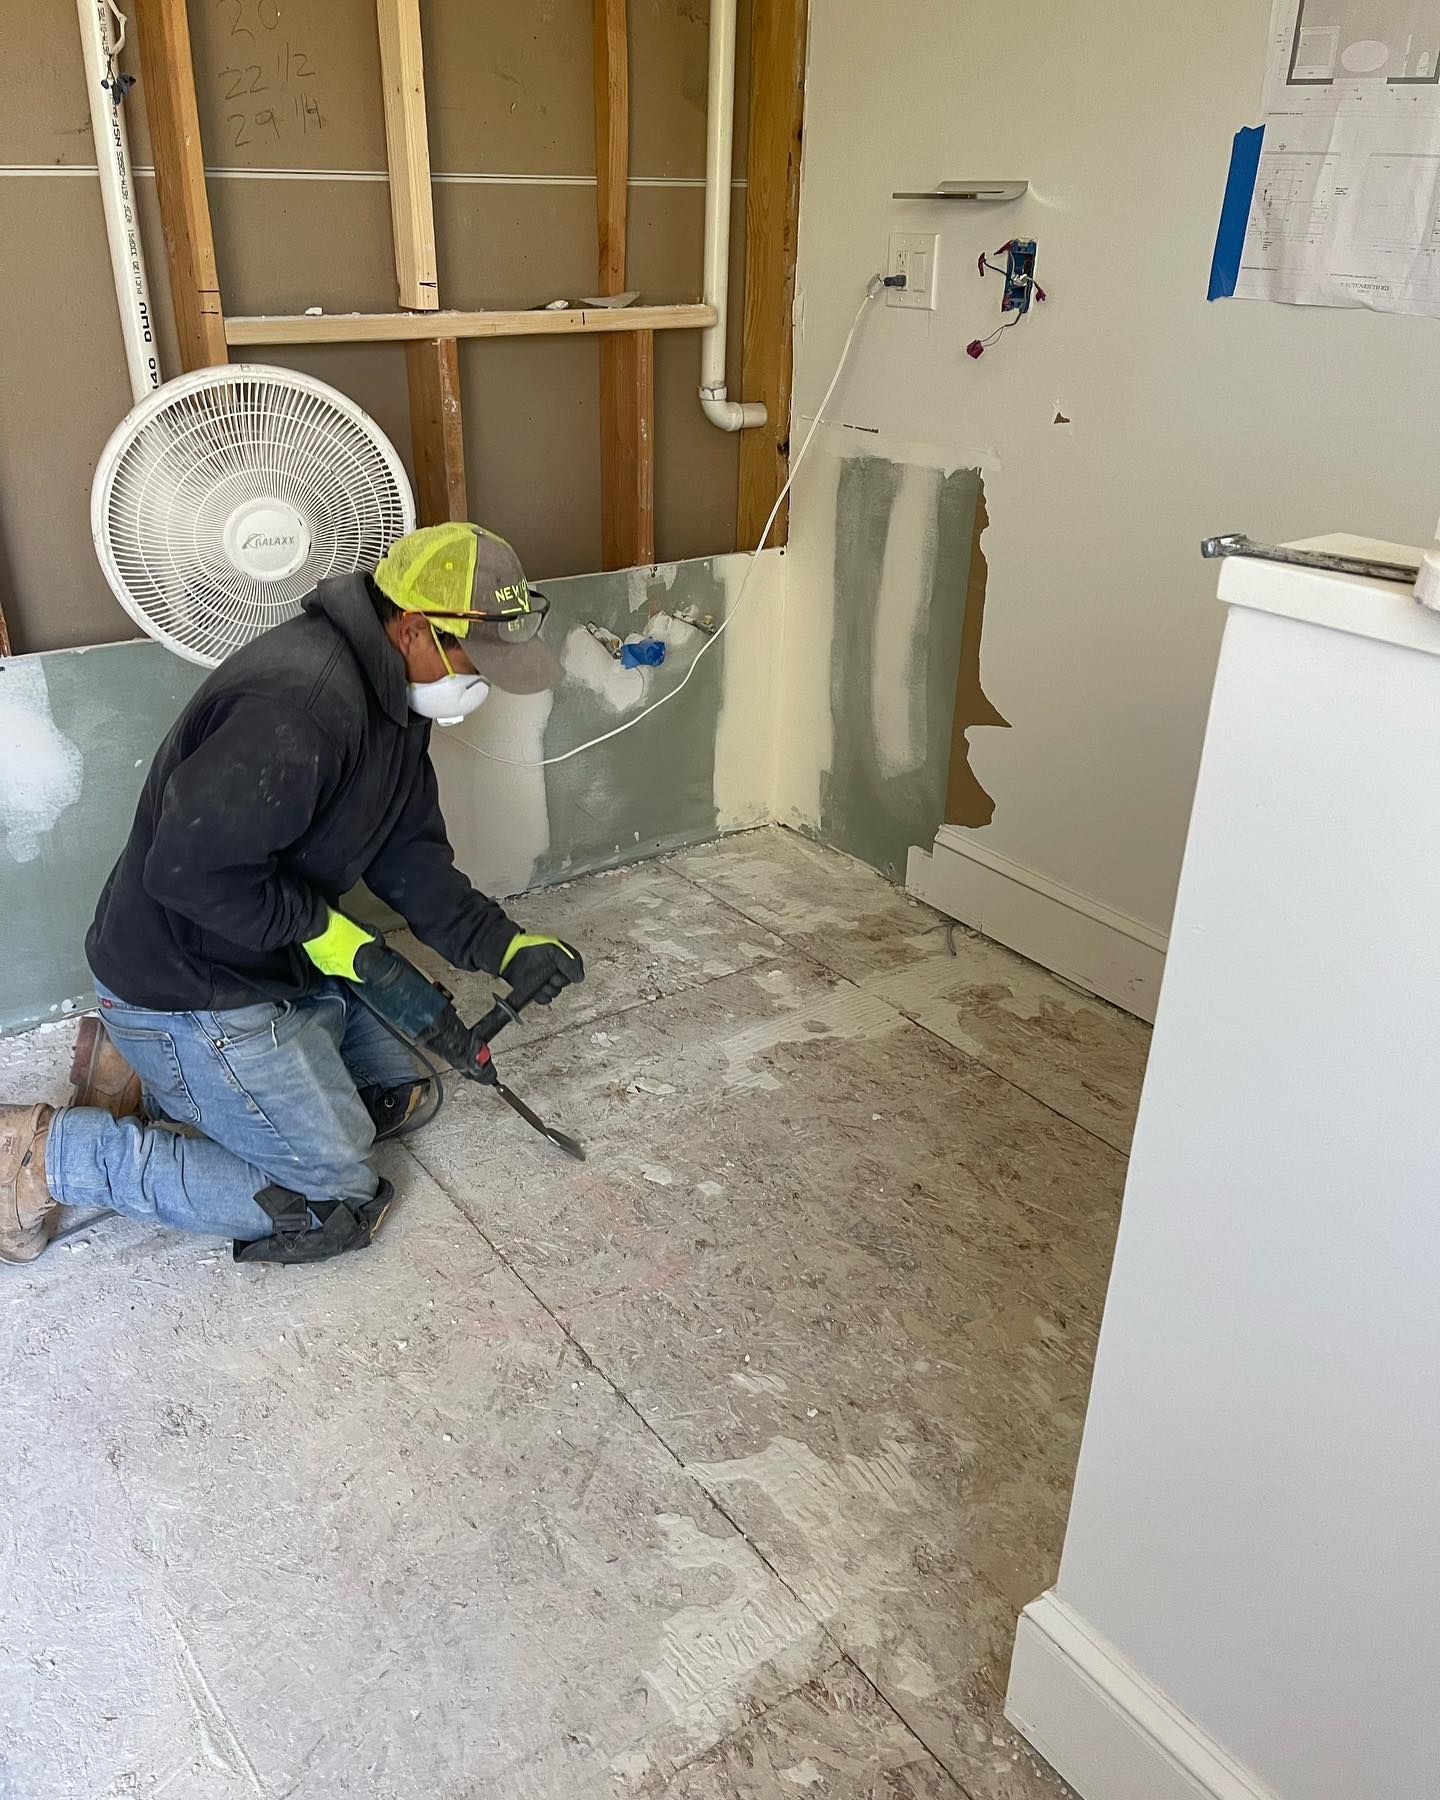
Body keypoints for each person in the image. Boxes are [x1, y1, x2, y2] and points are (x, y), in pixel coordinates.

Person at [0, 523, 583, 1267]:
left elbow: (410, 859)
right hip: (187, 982)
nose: (485, 681)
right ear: (413, 628)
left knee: (402, 1094)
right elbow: (186, 873)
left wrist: (503, 945)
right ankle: (42, 1154)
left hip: (266, 957)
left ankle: (159, 1076)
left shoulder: (396, 701)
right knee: (334, 1199)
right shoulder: (299, 706)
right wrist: (325, 932)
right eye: (478, 658)